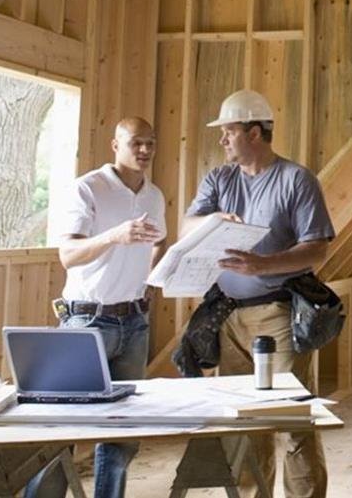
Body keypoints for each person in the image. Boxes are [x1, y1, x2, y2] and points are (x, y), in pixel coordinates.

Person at [182, 89, 333, 498]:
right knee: (244, 421)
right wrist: (211, 220)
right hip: (228, 317)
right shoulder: (219, 178)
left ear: (253, 132)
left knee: (292, 420)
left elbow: (317, 247)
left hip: (277, 314)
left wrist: (261, 265)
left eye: (228, 131)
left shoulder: (296, 180)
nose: (222, 140)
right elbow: (186, 227)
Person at [26, 117, 166, 498]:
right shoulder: (89, 188)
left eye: (150, 144)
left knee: (122, 432)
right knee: (64, 424)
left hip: (135, 321)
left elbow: (159, 241)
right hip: (87, 320)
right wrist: (115, 236)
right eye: (136, 143)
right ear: (115, 144)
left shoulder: (154, 196)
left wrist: (147, 279)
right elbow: (68, 255)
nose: (144, 151)